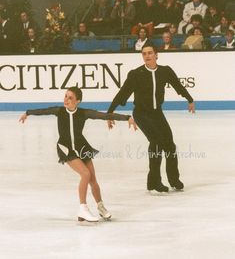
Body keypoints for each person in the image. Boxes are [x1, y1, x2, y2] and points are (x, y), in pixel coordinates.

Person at [19, 87, 137, 222]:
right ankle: (83, 208)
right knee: (85, 174)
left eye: (70, 98)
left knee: (93, 180)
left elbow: (103, 116)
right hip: (66, 148)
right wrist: (27, 113)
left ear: (78, 101)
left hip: (82, 147)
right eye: (65, 96)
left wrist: (126, 117)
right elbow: (43, 111)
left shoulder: (83, 113)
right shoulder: (59, 111)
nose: (66, 100)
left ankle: (100, 206)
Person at [107, 43, 195, 193]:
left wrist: (190, 99)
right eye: (144, 54)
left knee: (170, 145)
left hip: (157, 113)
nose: (147, 56)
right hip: (141, 113)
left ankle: (174, 179)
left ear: (156, 55)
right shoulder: (136, 74)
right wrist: (110, 113)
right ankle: (154, 181)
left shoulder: (165, 71)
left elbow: (177, 85)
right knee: (156, 142)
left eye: (149, 53)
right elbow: (123, 93)